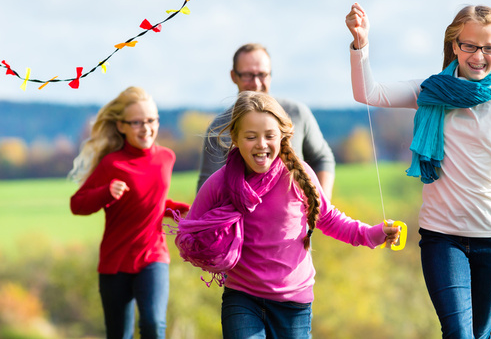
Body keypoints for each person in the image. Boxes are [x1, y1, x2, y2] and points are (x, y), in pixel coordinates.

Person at [345, 2, 491, 338]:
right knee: (459, 334)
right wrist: (360, 43)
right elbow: (367, 93)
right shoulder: (431, 92)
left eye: (488, 48)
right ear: (455, 45)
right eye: (469, 45)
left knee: (479, 335)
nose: (478, 56)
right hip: (442, 237)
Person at [173, 91, 400, 338]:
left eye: (269, 136)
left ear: (283, 136)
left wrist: (372, 234)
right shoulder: (220, 184)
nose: (261, 144)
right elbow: (189, 231)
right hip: (242, 297)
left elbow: (330, 219)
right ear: (236, 139)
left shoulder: (298, 176)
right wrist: (212, 243)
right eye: (251, 137)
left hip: (294, 304)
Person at [69, 86, 190, 339]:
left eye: (151, 120)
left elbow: (153, 201)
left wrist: (180, 210)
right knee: (119, 334)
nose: (146, 128)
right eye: (137, 122)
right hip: (116, 262)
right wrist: (106, 192)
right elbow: (77, 204)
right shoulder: (112, 163)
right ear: (121, 126)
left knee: (154, 325)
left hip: (153, 256)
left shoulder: (167, 158)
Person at [197, 43, 336, 199]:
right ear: (233, 76)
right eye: (248, 75)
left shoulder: (296, 113)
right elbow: (207, 189)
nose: (256, 83)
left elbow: (322, 158)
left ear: (270, 75)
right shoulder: (220, 127)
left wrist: (320, 209)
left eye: (262, 75)